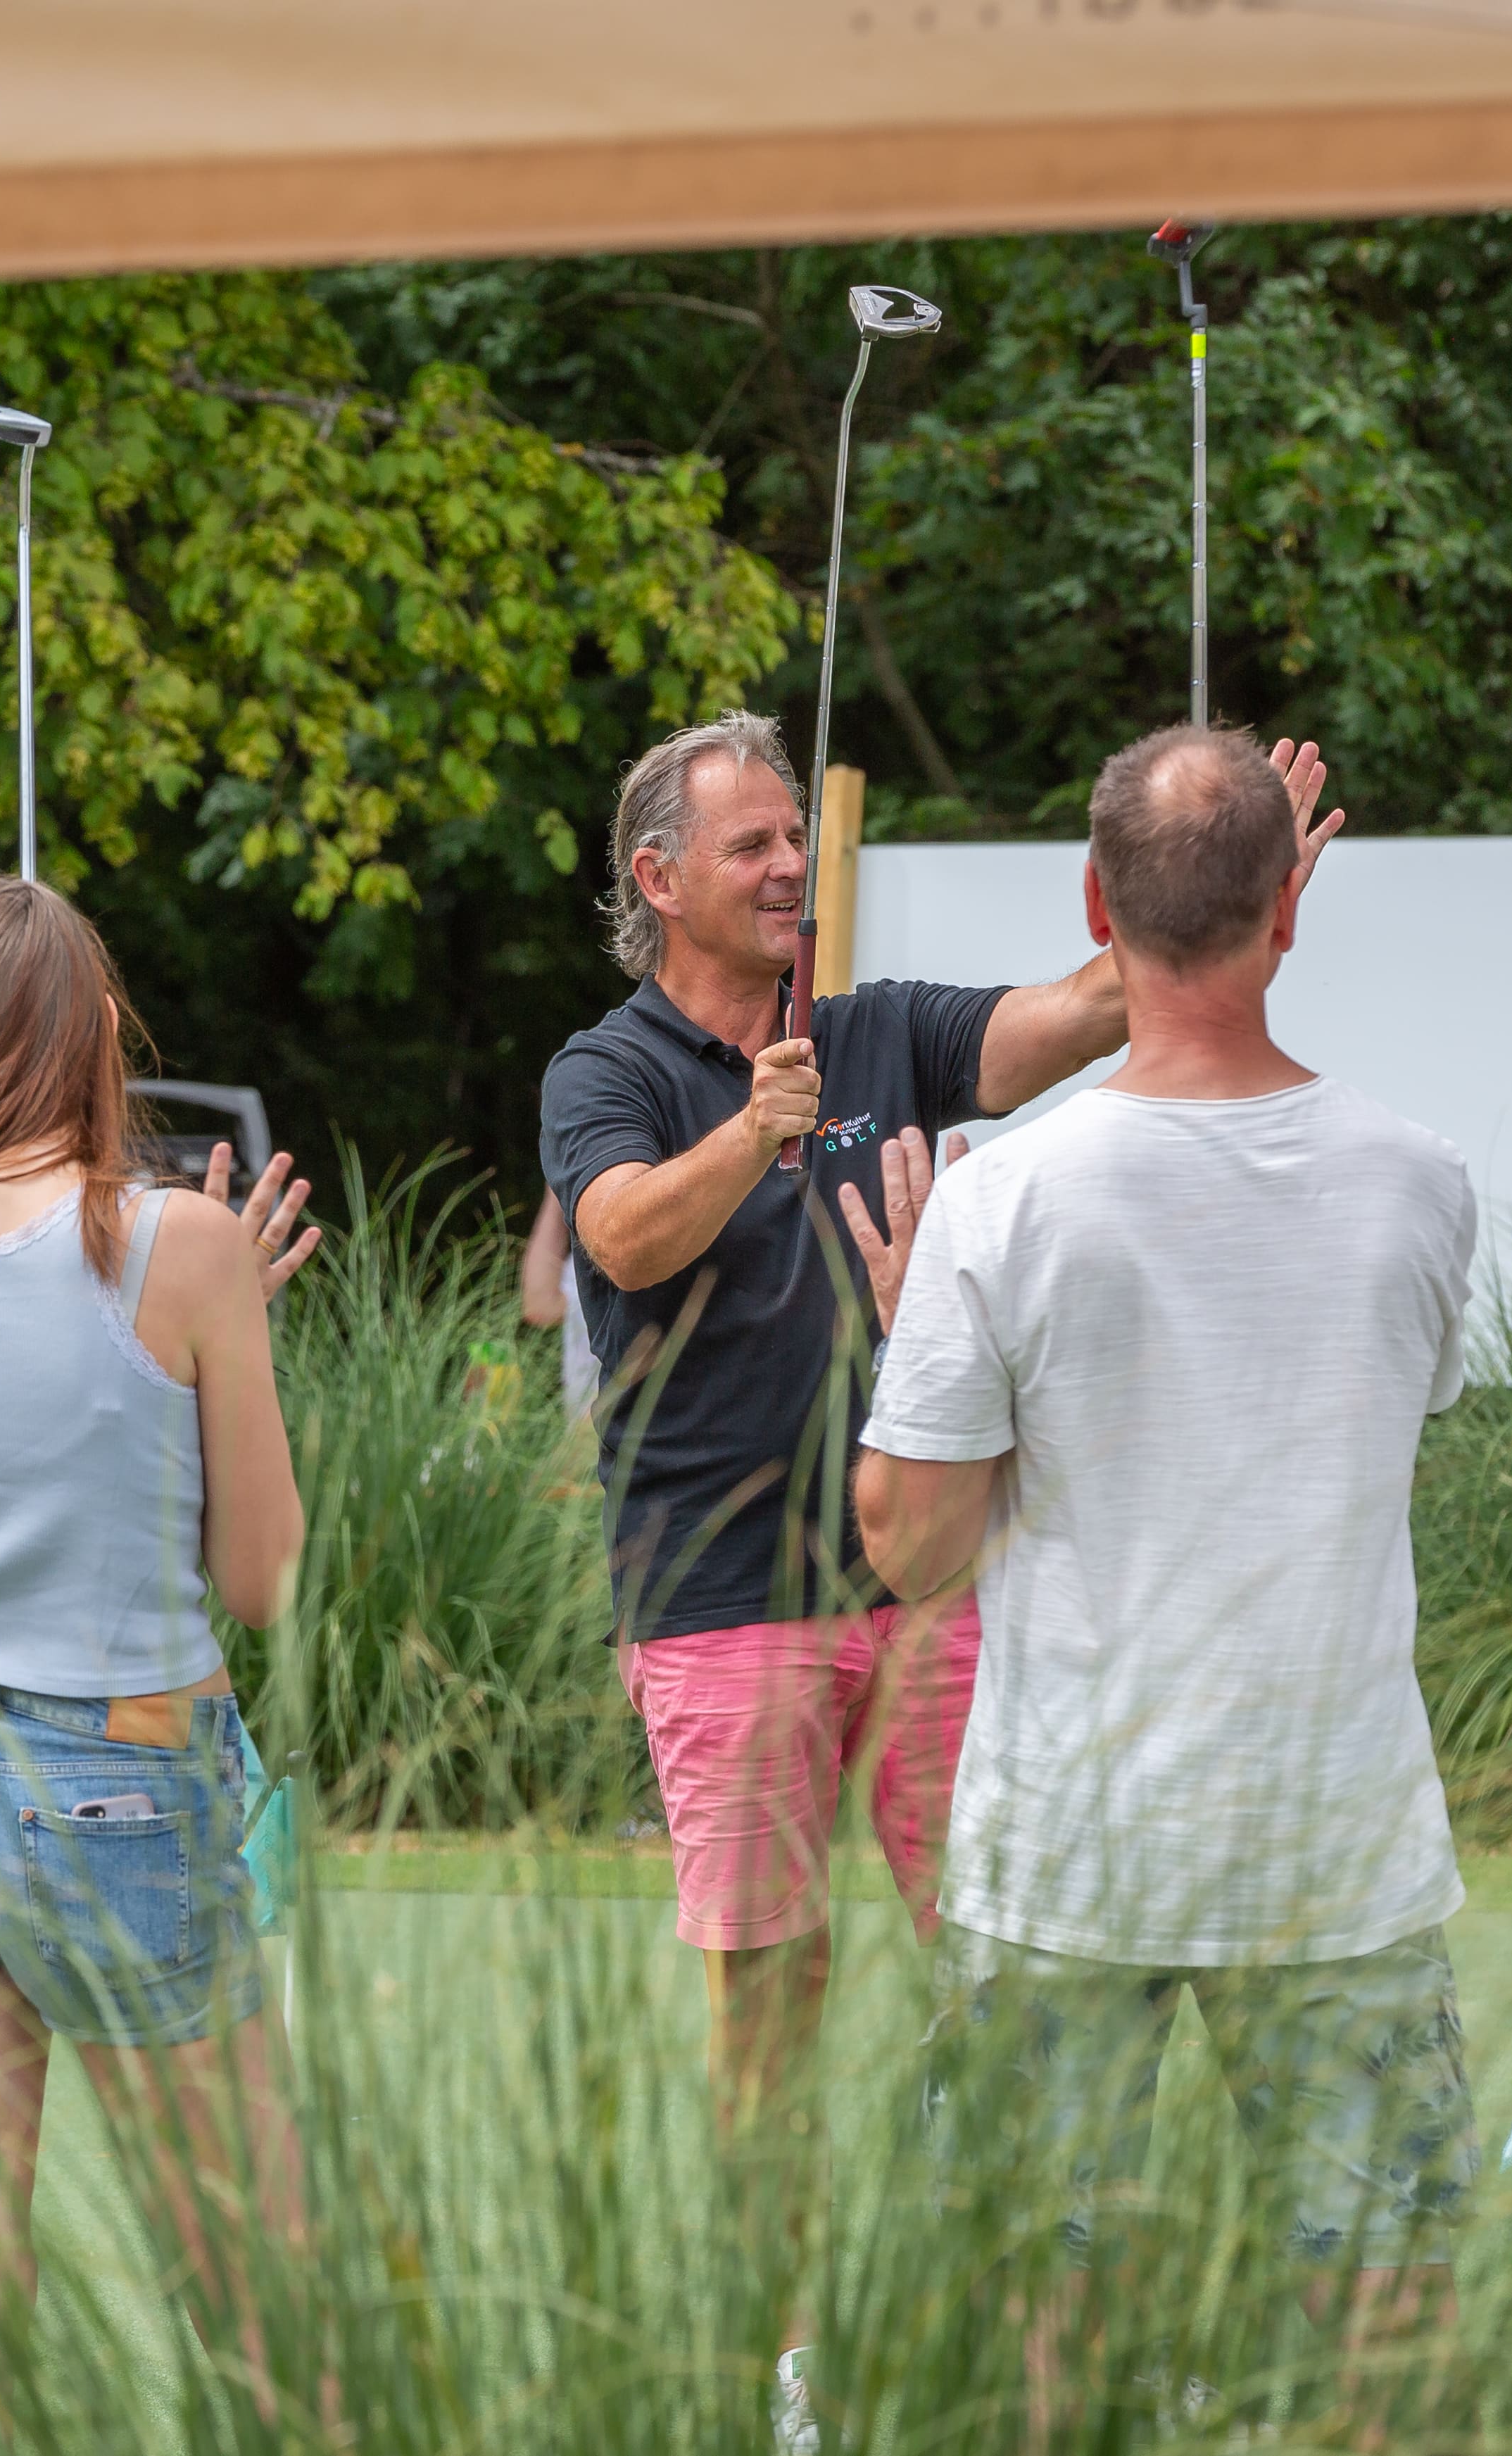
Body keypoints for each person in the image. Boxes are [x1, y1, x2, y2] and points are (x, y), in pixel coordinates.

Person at [536, 707, 1340, 2445]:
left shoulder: (882, 1030)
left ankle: (1057, 2329)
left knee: (1026, 1973)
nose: (782, 870)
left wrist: (1222, 884)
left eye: (787, 842)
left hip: (921, 1591)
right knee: (767, 2011)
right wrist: (757, 1133)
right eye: (747, 846)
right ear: (658, 878)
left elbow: (1086, 1008)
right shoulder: (606, 1072)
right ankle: (793, 2362)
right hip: (713, 1606)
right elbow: (616, 1240)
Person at [855, 723, 1475, 2435]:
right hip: (1335, 1842)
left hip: (1069, 1847)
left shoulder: (998, 1206)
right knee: (1379, 2326)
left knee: (1033, 2320)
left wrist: (923, 1328)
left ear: (1089, 904)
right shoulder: (1421, 1185)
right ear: (1291, 906)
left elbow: (906, 1550)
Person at [0, 876, 318, 2393]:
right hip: (124, 1778)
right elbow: (264, 1578)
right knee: (258, 2289)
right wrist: (235, 1331)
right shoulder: (186, 1245)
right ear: (99, 1038)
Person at [517, 1189, 601, 1418]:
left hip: (618, 1441)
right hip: (589, 1443)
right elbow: (541, 1306)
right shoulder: (586, 1259)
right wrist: (558, 1187)